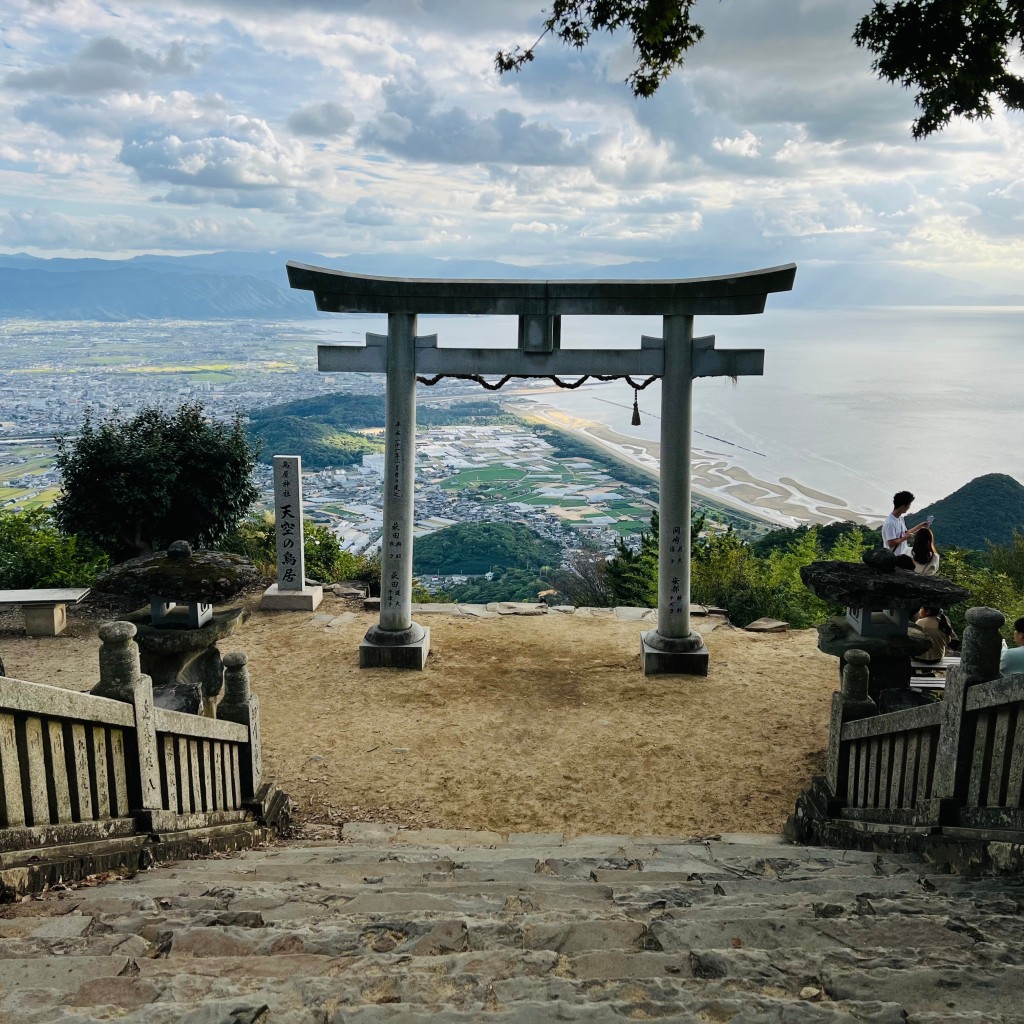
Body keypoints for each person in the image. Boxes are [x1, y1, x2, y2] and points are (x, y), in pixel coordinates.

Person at [882, 490, 932, 560]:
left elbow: (905, 533)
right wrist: (905, 538)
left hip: (902, 553)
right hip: (894, 557)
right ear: (903, 506)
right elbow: (891, 543)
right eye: (909, 505)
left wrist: (920, 526)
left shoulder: (900, 518)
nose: (909, 507)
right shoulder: (890, 523)